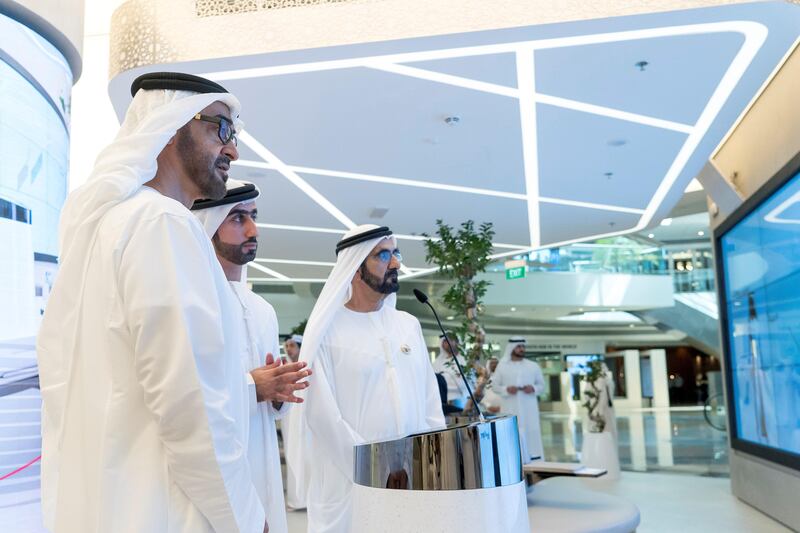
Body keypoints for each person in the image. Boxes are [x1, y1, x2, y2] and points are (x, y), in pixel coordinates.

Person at [36, 72, 268, 533]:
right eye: (220, 129)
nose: (233, 150)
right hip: (169, 509)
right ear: (171, 125)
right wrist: (243, 515)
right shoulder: (161, 223)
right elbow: (191, 402)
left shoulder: (117, 223)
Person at [287, 224, 445, 533]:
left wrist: (428, 464)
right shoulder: (326, 332)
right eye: (383, 255)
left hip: (414, 480)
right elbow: (322, 416)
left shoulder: (408, 325)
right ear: (355, 268)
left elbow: (430, 405)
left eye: (396, 253)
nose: (396, 263)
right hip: (351, 483)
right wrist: (378, 471)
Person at [193, 179, 313, 533]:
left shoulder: (262, 309)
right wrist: (253, 387)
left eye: (254, 216)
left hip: (259, 463)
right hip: (209, 476)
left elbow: (268, 402)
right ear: (208, 224)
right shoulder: (193, 301)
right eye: (237, 218)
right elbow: (183, 397)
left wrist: (279, 394)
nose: (252, 228)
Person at [493, 337, 546, 463]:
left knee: (531, 431)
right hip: (510, 407)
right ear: (511, 348)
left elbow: (542, 386)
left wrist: (533, 388)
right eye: (519, 346)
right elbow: (495, 386)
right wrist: (506, 389)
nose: (522, 349)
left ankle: (535, 458)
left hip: (529, 408)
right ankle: (513, 459)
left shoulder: (533, 366)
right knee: (512, 432)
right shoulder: (502, 366)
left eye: (523, 346)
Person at [432, 333, 469, 409]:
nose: (448, 343)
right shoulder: (437, 362)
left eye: (451, 340)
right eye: (445, 341)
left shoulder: (465, 360)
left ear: (457, 342)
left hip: (462, 400)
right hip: (443, 401)